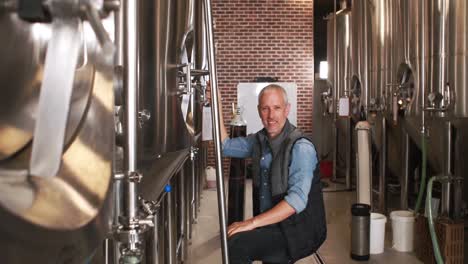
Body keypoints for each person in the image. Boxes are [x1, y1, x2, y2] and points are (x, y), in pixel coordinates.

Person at [216, 84, 327, 264]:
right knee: (237, 240)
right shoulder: (259, 140)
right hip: (273, 224)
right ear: (259, 111)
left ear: (287, 109)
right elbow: (225, 146)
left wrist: (251, 223)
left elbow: (296, 201)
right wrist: (217, 103)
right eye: (265, 108)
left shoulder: (301, 147)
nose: (271, 115)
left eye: (276, 108)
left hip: (299, 229)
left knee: (237, 244)